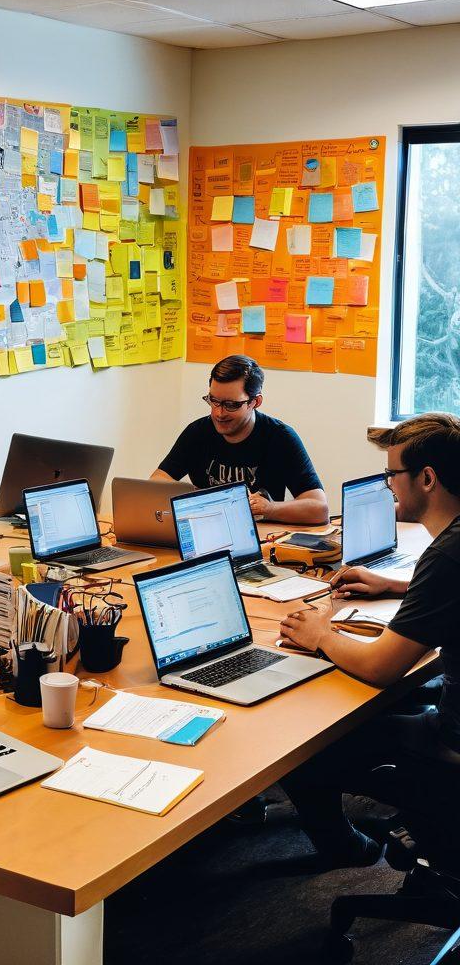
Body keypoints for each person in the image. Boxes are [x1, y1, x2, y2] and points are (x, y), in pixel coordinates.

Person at [278, 413, 460, 867]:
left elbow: (381, 667)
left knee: (303, 747)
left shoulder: (447, 558)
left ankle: (349, 851)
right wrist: (397, 585)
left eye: (391, 474)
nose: (388, 486)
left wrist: (320, 633)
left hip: (452, 744)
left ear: (427, 479)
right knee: (402, 701)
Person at [151, 354, 328, 524]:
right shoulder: (197, 432)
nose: (219, 413)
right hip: (206, 530)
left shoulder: (280, 437)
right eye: (214, 401)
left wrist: (270, 509)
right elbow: (156, 482)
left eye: (231, 405)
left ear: (255, 402)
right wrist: (192, 496)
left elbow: (319, 509)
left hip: (259, 538)